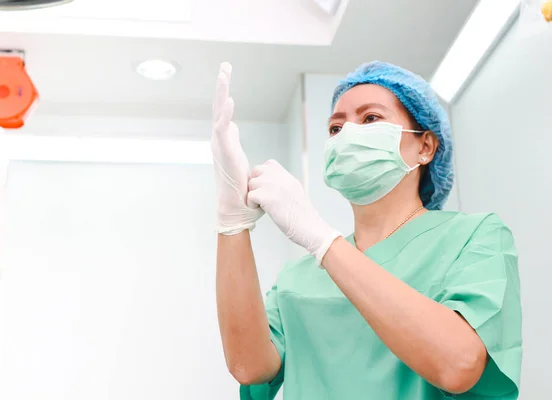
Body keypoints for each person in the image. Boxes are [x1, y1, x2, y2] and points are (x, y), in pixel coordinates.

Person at [212, 61, 522, 400]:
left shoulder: (474, 237)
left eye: (370, 118)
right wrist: (232, 222)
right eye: (335, 128)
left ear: (425, 147)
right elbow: (249, 366)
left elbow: (459, 365)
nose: (347, 134)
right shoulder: (297, 277)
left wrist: (321, 239)